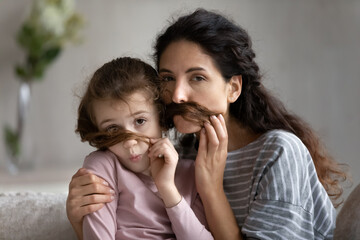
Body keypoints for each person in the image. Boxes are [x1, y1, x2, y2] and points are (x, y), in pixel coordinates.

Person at [67, 9, 348, 240]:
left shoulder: (278, 153)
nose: (177, 95)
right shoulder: (179, 155)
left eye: (197, 78)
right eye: (167, 78)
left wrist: (210, 187)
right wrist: (80, 219)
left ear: (233, 88)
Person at [71, 56, 214, 239]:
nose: (130, 142)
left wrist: (167, 188)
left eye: (140, 121)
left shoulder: (191, 174)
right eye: (113, 129)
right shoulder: (103, 166)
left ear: (161, 119)